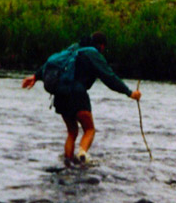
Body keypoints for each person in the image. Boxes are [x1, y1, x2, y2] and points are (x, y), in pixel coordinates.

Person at [22, 32, 141, 166]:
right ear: (101, 46)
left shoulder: (73, 49)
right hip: (77, 95)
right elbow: (109, 77)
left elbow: (54, 63)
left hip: (60, 95)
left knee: (72, 132)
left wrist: (35, 76)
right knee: (89, 130)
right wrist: (129, 93)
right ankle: (82, 155)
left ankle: (68, 163)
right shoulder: (93, 54)